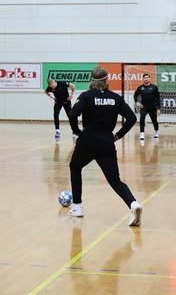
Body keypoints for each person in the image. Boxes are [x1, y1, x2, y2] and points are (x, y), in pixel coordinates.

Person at [66, 67, 142, 226]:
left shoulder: (86, 96)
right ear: (107, 81)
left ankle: (78, 207)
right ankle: (133, 204)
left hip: (87, 139)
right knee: (115, 180)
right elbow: (132, 118)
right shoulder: (115, 98)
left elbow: (73, 115)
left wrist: (77, 131)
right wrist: (118, 135)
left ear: (92, 81)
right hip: (107, 141)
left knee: (75, 167)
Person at [133, 79, 161, 143]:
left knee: (154, 120)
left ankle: (156, 131)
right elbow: (135, 95)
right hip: (144, 107)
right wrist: (137, 102)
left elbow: (158, 98)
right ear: (143, 79)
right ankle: (142, 133)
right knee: (142, 117)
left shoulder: (154, 87)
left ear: (149, 78)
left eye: (147, 77)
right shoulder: (140, 88)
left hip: (152, 107)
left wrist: (158, 108)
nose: (146, 79)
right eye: (144, 77)